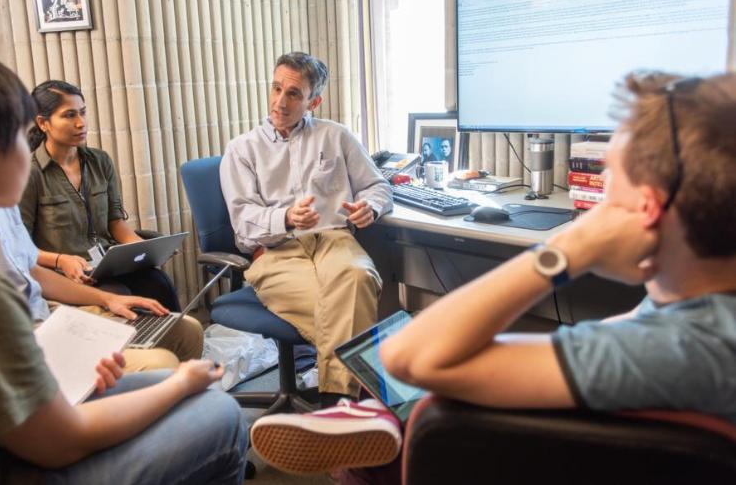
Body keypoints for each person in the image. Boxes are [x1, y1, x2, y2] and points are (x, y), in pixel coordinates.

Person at [249, 71, 736, 477]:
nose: (598, 188)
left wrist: (569, 246)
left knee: (426, 378)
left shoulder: (677, 349)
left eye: (608, 171)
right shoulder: (698, 321)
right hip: (282, 250)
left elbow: (408, 355)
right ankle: (371, 415)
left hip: (536, 452)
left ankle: (377, 421)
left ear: (646, 211)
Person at [0, 44, 247, 484]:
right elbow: (58, 442)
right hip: (4, 466)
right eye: (22, 136)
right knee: (218, 411)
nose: (30, 149)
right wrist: (182, 383)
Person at [220, 51, 394, 405]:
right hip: (277, 252)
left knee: (360, 278)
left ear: (314, 100)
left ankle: (342, 412)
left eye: (294, 93)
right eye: (276, 88)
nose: (280, 102)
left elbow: (378, 186)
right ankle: (366, 402)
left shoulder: (337, 136)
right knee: (346, 308)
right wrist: (285, 218)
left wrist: (370, 207)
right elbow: (242, 223)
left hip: (335, 242)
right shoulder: (241, 150)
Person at [0, 206, 204, 371]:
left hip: (50, 314)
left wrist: (107, 300)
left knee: (187, 330)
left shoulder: (3, 206)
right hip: (21, 338)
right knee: (161, 364)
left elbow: (32, 271)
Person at [19, 80, 181, 312]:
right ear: (43, 123)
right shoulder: (29, 173)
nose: (80, 123)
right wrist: (61, 260)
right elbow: (20, 247)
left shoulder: (99, 161)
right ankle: (140, 347)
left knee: (158, 283)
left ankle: (175, 343)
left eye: (83, 113)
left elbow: (116, 222)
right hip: (65, 275)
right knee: (120, 295)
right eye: (69, 115)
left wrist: (146, 251)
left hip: (106, 265)